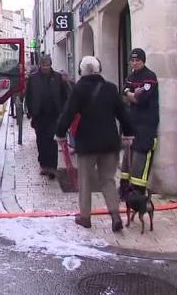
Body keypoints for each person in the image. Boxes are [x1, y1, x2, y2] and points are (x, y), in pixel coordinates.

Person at [55, 56, 135, 232]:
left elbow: (68, 113)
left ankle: (85, 217)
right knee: (108, 180)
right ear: (99, 69)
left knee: (85, 181)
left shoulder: (79, 89)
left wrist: (60, 133)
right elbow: (123, 112)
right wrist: (128, 133)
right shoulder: (110, 88)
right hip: (109, 142)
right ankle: (115, 215)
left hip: (87, 143)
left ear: (81, 71)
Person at [119, 48, 160, 199]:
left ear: (143, 61)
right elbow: (124, 93)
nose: (135, 63)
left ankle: (138, 194)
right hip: (132, 124)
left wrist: (130, 95)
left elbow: (141, 99)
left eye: (138, 60)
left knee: (140, 160)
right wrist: (131, 94)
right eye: (133, 60)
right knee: (126, 159)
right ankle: (124, 192)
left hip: (146, 126)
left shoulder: (149, 77)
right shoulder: (130, 76)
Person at [24, 55, 70, 179]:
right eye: (44, 65)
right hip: (39, 115)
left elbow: (64, 95)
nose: (46, 68)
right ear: (40, 65)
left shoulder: (58, 77)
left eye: (48, 65)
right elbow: (28, 96)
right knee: (41, 140)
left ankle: (52, 167)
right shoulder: (33, 78)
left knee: (52, 140)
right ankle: (44, 165)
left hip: (54, 114)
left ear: (51, 65)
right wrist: (29, 111)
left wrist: (64, 111)